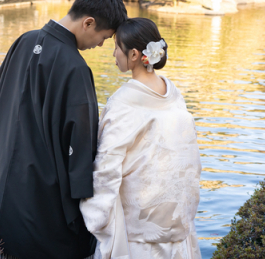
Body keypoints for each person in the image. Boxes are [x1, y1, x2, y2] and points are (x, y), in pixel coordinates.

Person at [0, 0, 128, 259]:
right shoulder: (74, 67)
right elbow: (81, 142)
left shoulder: (23, 42)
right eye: (103, 37)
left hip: (5, 189)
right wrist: (83, 212)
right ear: (88, 22)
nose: (100, 45)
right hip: (45, 203)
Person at [80, 18, 202, 259]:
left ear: (134, 54)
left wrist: (96, 220)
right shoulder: (173, 94)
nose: (114, 53)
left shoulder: (123, 102)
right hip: (177, 226)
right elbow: (190, 160)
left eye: (117, 46)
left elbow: (106, 167)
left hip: (137, 233)